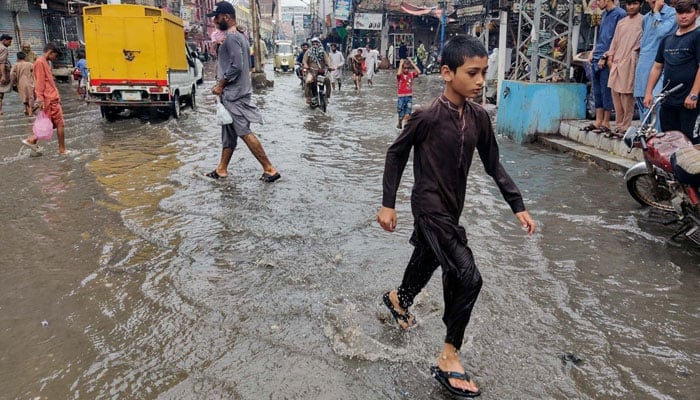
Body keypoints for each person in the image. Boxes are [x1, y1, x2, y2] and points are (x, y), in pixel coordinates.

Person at [377, 35, 536, 398]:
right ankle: (449, 355)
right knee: (467, 275)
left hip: (452, 207)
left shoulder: (479, 118)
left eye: (484, 72)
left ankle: (399, 299)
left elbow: (494, 165)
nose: (481, 81)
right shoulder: (427, 116)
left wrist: (518, 205)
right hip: (429, 207)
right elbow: (395, 154)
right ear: (447, 73)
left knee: (429, 257)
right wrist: (389, 204)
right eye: (473, 73)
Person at [206, 1, 281, 181]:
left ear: (226, 17)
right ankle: (222, 169)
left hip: (234, 94)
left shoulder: (232, 38)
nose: (214, 21)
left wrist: (220, 85)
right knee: (229, 134)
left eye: (216, 17)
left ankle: (269, 169)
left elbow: (236, 66)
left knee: (244, 132)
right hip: (234, 93)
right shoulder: (239, 36)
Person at [644, 0, 700, 144]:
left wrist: (693, 94)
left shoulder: (697, 36)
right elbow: (657, 67)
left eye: (688, 12)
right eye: (680, 12)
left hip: (690, 103)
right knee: (669, 142)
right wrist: (649, 92)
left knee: (691, 144)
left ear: (697, 13)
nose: (684, 16)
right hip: (668, 101)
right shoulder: (667, 40)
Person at [583, 0, 626, 134]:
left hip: (608, 57)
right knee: (597, 90)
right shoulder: (604, 14)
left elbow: (618, 39)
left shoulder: (620, 14)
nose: (597, 3)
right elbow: (602, 37)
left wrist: (607, 56)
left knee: (606, 89)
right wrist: (593, 51)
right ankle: (598, 119)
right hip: (597, 55)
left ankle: (606, 121)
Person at [634, 0, 677, 122]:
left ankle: (657, 138)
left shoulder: (672, 14)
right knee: (642, 102)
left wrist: (657, 12)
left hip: (661, 66)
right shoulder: (647, 17)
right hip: (643, 65)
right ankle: (645, 139)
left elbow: (662, 32)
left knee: (657, 102)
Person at [605, 0, 643, 137]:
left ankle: (626, 126)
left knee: (627, 95)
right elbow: (614, 41)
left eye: (635, 4)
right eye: (629, 4)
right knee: (615, 93)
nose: (632, 7)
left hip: (631, 60)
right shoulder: (622, 22)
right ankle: (619, 123)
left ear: (640, 5)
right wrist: (610, 57)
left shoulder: (643, 21)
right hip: (617, 60)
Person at [22, 42, 67, 154]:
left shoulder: (44, 62)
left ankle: (32, 140)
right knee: (60, 123)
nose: (55, 58)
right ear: (50, 52)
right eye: (55, 56)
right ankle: (62, 149)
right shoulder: (40, 62)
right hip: (50, 99)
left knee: (51, 123)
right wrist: (41, 99)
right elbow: (40, 82)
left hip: (50, 98)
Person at [302, 37, 332, 105]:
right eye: (314, 44)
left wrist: (330, 66)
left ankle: (327, 96)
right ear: (312, 45)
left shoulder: (323, 52)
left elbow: (327, 60)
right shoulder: (308, 52)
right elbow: (304, 60)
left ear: (319, 44)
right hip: (311, 71)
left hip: (321, 72)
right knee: (307, 82)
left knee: (327, 80)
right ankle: (308, 97)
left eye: (316, 44)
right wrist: (306, 65)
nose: (315, 45)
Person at [396, 57, 420, 129]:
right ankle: (399, 123)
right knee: (401, 116)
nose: (406, 69)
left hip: (409, 97)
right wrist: (401, 64)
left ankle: (405, 130)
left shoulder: (411, 74)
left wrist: (412, 63)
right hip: (401, 97)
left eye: (407, 68)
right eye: (405, 68)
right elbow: (398, 73)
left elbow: (419, 72)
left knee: (408, 115)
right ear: (402, 68)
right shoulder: (400, 76)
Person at [10, 51, 34, 116]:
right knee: (30, 97)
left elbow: (11, 74)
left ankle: (26, 109)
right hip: (29, 82)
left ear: (17, 58)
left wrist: (13, 82)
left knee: (24, 96)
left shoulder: (15, 65)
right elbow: (34, 72)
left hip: (20, 83)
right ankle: (30, 111)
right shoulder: (29, 64)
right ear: (25, 57)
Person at [0, 34, 13, 116]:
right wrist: (3, 75)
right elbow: (1, 63)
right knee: (1, 92)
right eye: (9, 41)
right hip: (2, 73)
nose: (10, 43)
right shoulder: (3, 48)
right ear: (4, 40)